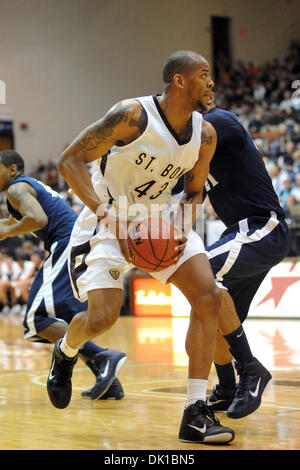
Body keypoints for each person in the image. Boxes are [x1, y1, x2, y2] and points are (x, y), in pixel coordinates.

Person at [49, 50, 270, 443]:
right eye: (204, 75)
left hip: (158, 221)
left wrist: (183, 227)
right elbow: (69, 161)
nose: (212, 83)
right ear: (179, 81)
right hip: (107, 219)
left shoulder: (206, 134)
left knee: (208, 295)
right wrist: (108, 216)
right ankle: (66, 351)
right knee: (101, 318)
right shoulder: (132, 116)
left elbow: (194, 191)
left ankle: (194, 412)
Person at [0, 149, 126, 401]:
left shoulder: (16, 189)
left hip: (67, 241)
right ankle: (108, 378)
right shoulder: (27, 188)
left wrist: (6, 231)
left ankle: (102, 357)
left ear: (12, 169)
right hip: (75, 240)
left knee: (37, 319)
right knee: (65, 318)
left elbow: (37, 219)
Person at [200, 92, 290, 413]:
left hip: (262, 226)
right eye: (204, 78)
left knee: (201, 272)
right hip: (240, 232)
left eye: (210, 79)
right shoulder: (191, 141)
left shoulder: (217, 122)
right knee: (207, 312)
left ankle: (251, 368)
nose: (210, 86)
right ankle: (226, 386)